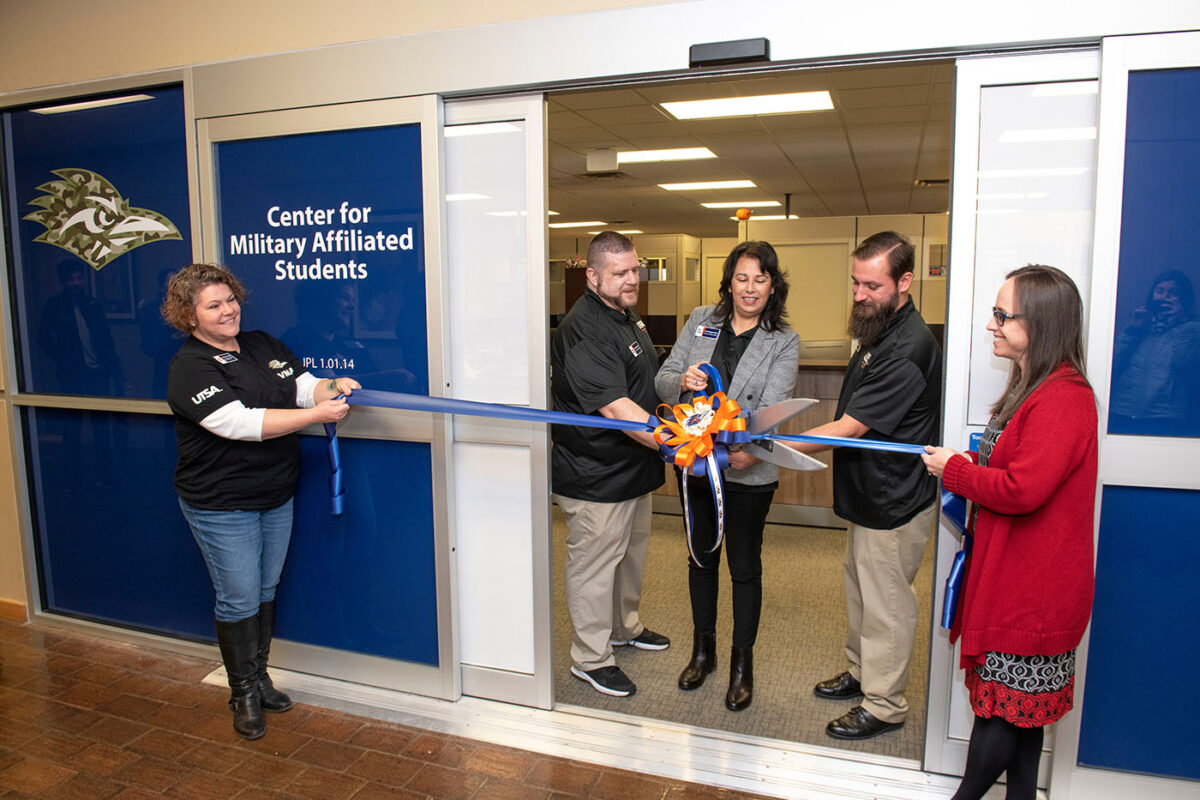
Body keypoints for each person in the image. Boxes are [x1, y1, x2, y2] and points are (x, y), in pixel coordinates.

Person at [163, 263, 361, 740]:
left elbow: (299, 384)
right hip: (220, 503)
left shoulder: (261, 343)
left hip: (274, 492)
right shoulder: (189, 367)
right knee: (239, 596)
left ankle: (261, 676)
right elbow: (238, 423)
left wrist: (329, 388)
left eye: (229, 299)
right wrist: (315, 414)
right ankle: (243, 692)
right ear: (189, 316)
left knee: (265, 590)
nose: (227, 310)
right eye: (213, 305)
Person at [922, 265, 1097, 800]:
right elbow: (1015, 463)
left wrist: (956, 471)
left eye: (1003, 315)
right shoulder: (1036, 387)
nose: (992, 325)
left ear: (1039, 323)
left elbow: (1023, 488)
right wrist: (969, 461)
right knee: (1022, 723)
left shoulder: (1063, 398)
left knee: (1003, 719)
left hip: (1031, 596)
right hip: (1018, 585)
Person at [784, 231, 941, 740]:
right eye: (855, 282)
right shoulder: (881, 329)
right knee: (862, 592)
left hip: (894, 502)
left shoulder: (910, 346)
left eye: (871, 285)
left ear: (905, 282)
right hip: (869, 496)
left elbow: (849, 427)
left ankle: (885, 703)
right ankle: (862, 673)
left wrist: (770, 447)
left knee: (888, 605)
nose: (859, 294)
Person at [654, 241, 799, 711]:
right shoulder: (701, 320)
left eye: (760, 279)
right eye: (742, 278)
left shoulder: (784, 340)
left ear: (772, 285)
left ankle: (742, 665)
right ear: (729, 281)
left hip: (746, 473)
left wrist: (750, 452)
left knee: (743, 566)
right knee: (700, 559)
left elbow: (772, 409)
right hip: (696, 467)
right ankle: (703, 653)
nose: (750, 288)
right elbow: (663, 377)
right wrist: (683, 381)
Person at [551, 231, 669, 698]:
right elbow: (618, 409)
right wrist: (677, 444)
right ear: (593, 275)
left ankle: (625, 627)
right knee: (595, 566)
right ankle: (591, 657)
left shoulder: (626, 316)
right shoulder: (585, 329)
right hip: (595, 474)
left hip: (633, 469)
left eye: (634, 269)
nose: (632, 280)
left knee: (630, 558)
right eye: (620, 273)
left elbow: (644, 384)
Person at [1109, 269, 1200, 436]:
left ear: (1183, 298)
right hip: (1123, 408)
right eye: (1160, 291)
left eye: (1173, 292)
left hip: (1164, 413)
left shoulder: (1192, 328)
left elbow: (1185, 363)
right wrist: (1133, 330)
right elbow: (1113, 362)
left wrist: (1182, 321)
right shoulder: (1141, 324)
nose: (1164, 296)